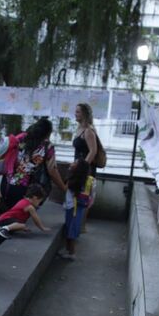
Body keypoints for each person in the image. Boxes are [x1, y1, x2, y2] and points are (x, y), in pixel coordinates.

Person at [1, 118, 66, 208]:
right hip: (26, 189)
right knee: (18, 217)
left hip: (6, 183)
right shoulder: (47, 146)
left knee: (9, 215)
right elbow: (52, 171)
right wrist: (63, 188)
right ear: (48, 133)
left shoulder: (21, 138)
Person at [74, 102, 100, 232]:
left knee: (84, 199)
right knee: (77, 198)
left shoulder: (89, 131)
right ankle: (78, 225)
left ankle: (80, 227)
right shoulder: (79, 129)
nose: (75, 113)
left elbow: (93, 151)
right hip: (78, 169)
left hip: (86, 171)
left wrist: (83, 166)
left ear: (84, 114)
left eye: (78, 112)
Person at [60, 159, 93, 260]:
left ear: (78, 168)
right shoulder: (87, 180)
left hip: (72, 207)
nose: (72, 163)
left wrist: (69, 171)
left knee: (71, 229)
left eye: (75, 162)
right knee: (71, 228)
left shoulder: (73, 180)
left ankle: (72, 252)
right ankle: (68, 250)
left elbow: (65, 189)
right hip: (77, 207)